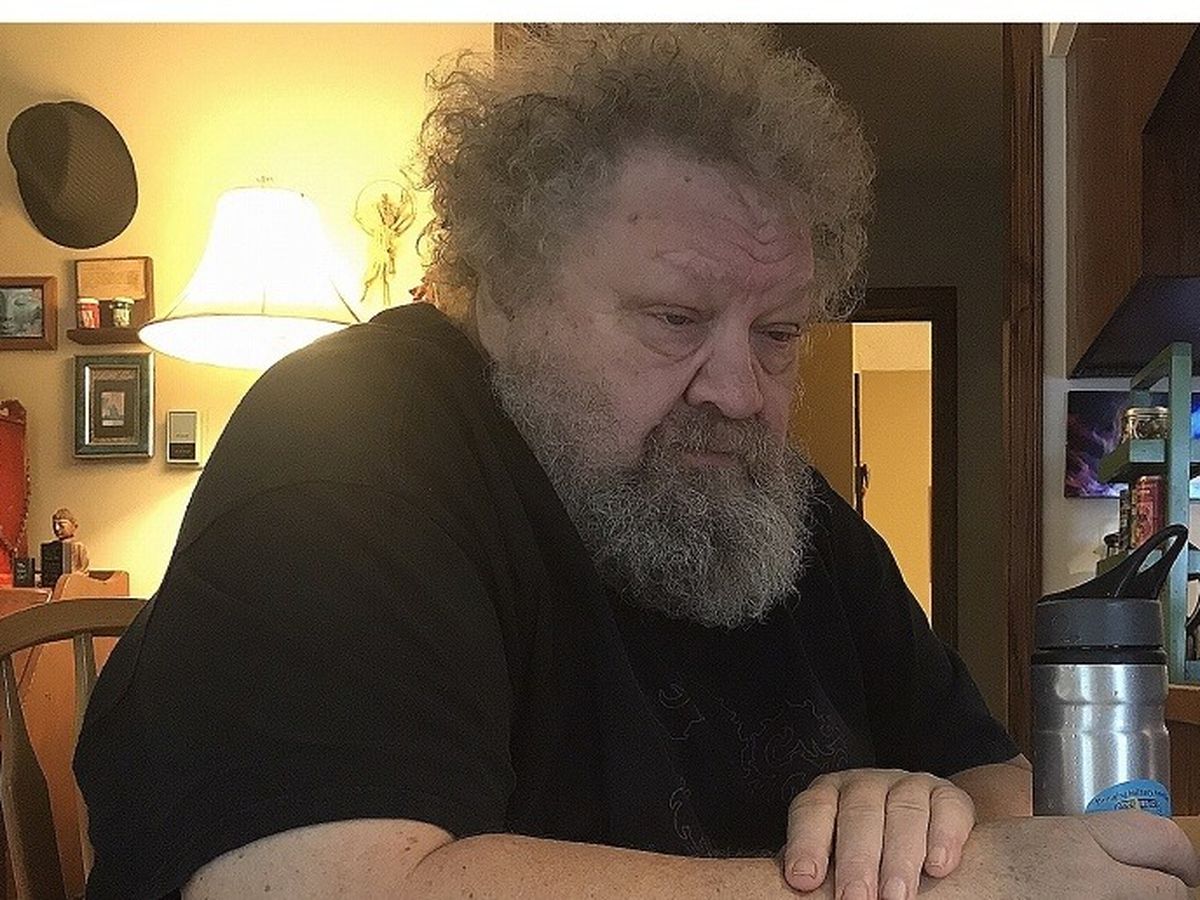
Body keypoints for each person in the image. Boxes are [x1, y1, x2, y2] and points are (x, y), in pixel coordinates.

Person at [75, 24, 1200, 900]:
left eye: (778, 333)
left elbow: (1000, 785)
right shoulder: (346, 444)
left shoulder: (783, 507)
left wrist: (917, 820)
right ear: (502, 297)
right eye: (673, 319)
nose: (740, 392)